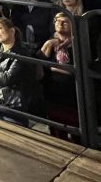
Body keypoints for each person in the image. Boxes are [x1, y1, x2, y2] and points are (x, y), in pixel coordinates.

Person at [0, 17, 42, 127]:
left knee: (15, 136)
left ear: (12, 30)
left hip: (12, 104)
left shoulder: (22, 53)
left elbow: (7, 79)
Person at [39, 12, 78, 140]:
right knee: (56, 130)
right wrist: (48, 45)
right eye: (57, 21)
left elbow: (75, 70)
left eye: (65, 22)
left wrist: (55, 68)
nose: (60, 24)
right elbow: (38, 64)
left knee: (76, 130)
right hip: (53, 92)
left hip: (73, 95)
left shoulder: (79, 43)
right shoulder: (50, 42)